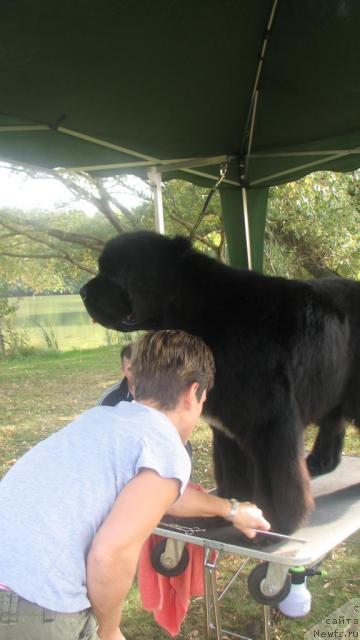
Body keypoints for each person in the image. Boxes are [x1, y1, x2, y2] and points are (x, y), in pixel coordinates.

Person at [0, 330, 270, 640]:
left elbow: (163, 499)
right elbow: (109, 556)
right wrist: (109, 629)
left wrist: (232, 510)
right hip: (35, 605)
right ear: (191, 392)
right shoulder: (164, 446)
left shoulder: (102, 420)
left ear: (136, 381)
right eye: (203, 400)